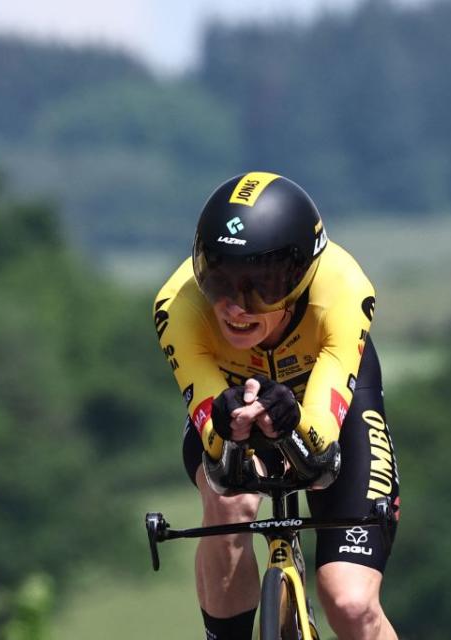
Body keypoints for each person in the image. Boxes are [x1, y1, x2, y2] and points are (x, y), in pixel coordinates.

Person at [153, 172, 401, 640]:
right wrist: (225, 423)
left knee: (350, 603)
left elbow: (323, 444)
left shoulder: (344, 290)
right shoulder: (178, 306)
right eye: (218, 281)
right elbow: (212, 431)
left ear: (301, 276)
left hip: (328, 403)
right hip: (236, 402)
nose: (234, 307)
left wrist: (292, 415)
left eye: (260, 286)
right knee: (230, 498)